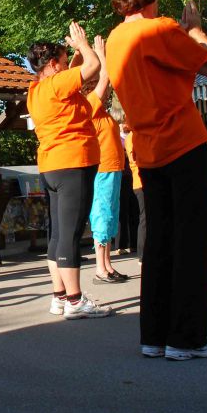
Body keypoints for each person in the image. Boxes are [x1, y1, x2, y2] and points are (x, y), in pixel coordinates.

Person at [104, 0, 207, 360]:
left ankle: (153, 336)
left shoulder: (114, 38)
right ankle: (187, 339)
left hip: (147, 149)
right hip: (182, 142)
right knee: (192, 242)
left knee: (158, 243)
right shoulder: (159, 29)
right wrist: (195, 29)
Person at [26, 22, 111, 319]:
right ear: (53, 64)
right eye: (63, 61)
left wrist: (78, 55)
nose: (67, 65)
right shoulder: (56, 84)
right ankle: (75, 301)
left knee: (58, 234)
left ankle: (60, 296)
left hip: (52, 165)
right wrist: (84, 46)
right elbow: (91, 66)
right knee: (71, 234)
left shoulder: (37, 89)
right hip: (72, 162)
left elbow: (90, 88)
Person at [72, 38, 128, 284]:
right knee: (102, 216)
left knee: (111, 216)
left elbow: (106, 82)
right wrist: (100, 54)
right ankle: (100, 269)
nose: (101, 91)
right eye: (92, 85)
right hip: (103, 169)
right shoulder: (88, 106)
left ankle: (107, 264)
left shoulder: (102, 111)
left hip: (113, 168)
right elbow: (104, 80)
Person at [122, 124, 146, 264]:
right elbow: (135, 158)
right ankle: (142, 255)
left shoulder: (134, 136)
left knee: (145, 217)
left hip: (141, 180)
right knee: (145, 218)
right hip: (140, 181)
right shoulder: (132, 137)